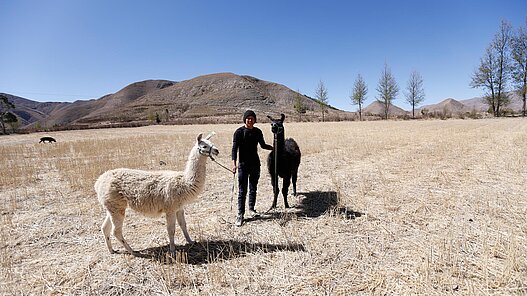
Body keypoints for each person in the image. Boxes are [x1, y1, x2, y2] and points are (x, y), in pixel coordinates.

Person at [232, 110, 273, 227]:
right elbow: (234, 149)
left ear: (255, 120)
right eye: (248, 118)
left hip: (255, 164)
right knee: (242, 190)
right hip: (243, 166)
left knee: (253, 189)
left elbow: (263, 145)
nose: (250, 120)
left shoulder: (257, 132)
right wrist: (234, 164)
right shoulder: (239, 132)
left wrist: (273, 148)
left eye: (252, 118)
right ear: (244, 119)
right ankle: (240, 214)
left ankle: (252, 209)